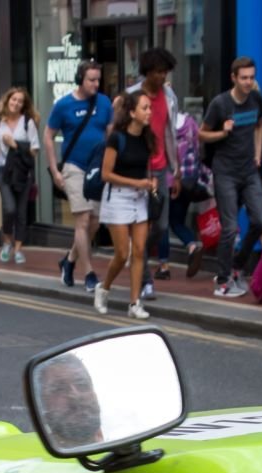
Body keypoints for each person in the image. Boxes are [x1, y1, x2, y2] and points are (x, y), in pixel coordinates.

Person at [201, 56, 262, 298]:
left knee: (261, 221)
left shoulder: (256, 99)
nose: (248, 82)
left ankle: (238, 266)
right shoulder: (220, 104)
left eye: (252, 77)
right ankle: (222, 280)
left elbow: (261, 124)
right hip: (225, 172)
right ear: (233, 78)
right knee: (230, 228)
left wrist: (258, 153)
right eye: (244, 78)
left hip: (249, 171)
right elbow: (202, 135)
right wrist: (223, 132)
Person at [45, 60, 110, 292]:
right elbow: (48, 136)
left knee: (94, 221)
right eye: (91, 80)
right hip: (74, 167)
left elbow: (111, 133)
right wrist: (54, 170)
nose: (96, 84)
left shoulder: (104, 102)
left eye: (98, 80)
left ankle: (69, 261)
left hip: (97, 169)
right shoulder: (63, 105)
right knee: (83, 220)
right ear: (80, 79)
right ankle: (90, 274)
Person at [92, 89, 156, 321]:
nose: (149, 112)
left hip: (140, 198)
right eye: (144, 108)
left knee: (139, 251)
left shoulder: (148, 138)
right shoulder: (116, 138)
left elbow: (145, 168)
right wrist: (135, 182)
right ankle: (104, 288)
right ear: (132, 112)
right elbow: (106, 174)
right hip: (117, 197)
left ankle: (134, 303)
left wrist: (150, 181)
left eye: (150, 108)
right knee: (122, 253)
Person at [128, 47, 177, 296]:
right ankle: (145, 279)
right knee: (142, 225)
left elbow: (170, 132)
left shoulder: (169, 95)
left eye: (165, 72)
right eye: (158, 72)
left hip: (160, 170)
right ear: (147, 72)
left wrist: (175, 170)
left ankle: (137, 255)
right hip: (138, 171)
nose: (162, 76)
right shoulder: (131, 96)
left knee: (161, 226)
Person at [0, 87, 39, 265]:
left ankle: (18, 248)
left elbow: (34, 151)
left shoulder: (28, 123)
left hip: (22, 172)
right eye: (13, 99)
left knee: (21, 211)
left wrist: (15, 145)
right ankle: (6, 242)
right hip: (3, 169)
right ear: (7, 100)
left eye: (20, 101)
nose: (16, 103)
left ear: (23, 105)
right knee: (9, 208)